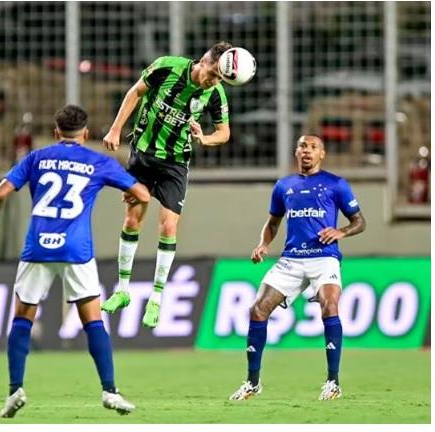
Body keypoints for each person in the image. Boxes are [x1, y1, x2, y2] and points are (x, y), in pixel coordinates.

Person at [0, 105, 150, 418]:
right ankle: (110, 391)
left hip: (37, 248)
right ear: (85, 133)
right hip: (76, 250)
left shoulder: (36, 158)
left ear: (56, 133)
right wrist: (132, 195)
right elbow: (144, 194)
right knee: (93, 321)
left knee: (22, 318)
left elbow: (1, 193)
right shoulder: (98, 161)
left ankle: (15, 389)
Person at [101, 41, 233, 328]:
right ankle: (123, 290)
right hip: (143, 154)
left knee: (169, 226)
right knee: (133, 218)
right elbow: (136, 92)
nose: (212, 80)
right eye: (211, 73)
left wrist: (205, 138)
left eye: (218, 78)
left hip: (176, 162)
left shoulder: (215, 94)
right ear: (202, 61)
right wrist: (115, 128)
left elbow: (224, 133)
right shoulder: (166, 67)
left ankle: (156, 299)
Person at [229, 134, 366, 401]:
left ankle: (333, 382)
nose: (307, 151)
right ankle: (252, 383)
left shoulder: (336, 184)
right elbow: (272, 223)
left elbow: (360, 221)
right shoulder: (283, 186)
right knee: (257, 310)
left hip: (324, 257)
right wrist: (263, 244)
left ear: (321, 154)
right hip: (291, 259)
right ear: (296, 152)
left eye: (313, 147)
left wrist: (341, 232)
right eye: (303, 146)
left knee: (330, 305)